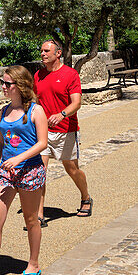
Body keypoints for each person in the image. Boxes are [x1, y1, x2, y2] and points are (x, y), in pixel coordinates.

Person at [0, 65, 49, 275]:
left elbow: (43, 143)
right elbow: (0, 143)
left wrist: (19, 158)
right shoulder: (5, 111)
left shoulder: (36, 111)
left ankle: (33, 263)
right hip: (5, 174)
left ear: (21, 86)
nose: (3, 87)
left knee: (31, 219)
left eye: (8, 84)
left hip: (30, 171)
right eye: (2, 82)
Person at [34, 39, 92, 222]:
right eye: (41, 51)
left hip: (66, 130)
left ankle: (86, 197)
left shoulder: (70, 74)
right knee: (40, 172)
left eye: (46, 51)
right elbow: (35, 101)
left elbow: (77, 103)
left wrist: (62, 114)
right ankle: (39, 215)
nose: (42, 54)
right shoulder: (38, 75)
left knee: (72, 169)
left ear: (58, 53)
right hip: (43, 132)